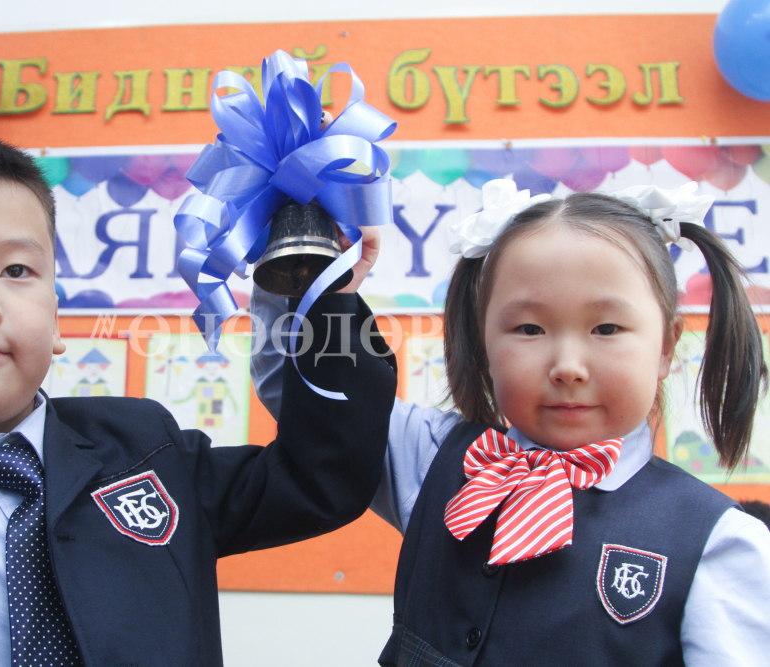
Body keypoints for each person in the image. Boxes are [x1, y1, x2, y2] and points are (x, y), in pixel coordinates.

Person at [0, 137, 398, 667]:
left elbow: (321, 478)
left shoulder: (146, 447)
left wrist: (323, 298)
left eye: (17, 271)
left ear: (55, 321)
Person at [251, 180, 770, 666]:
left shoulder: (720, 545)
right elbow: (309, 402)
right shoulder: (432, 459)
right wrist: (313, 274)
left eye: (607, 327)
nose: (567, 366)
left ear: (666, 346)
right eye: (529, 328)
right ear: (484, 342)